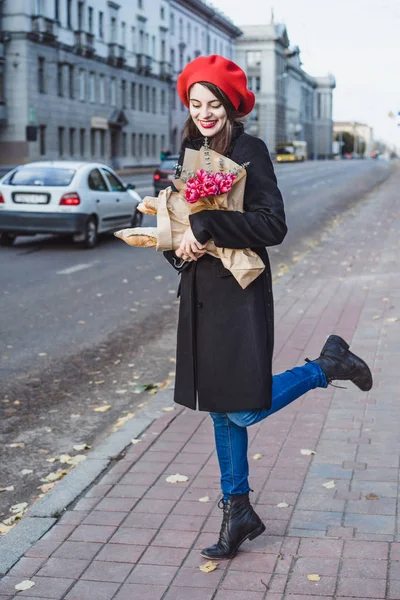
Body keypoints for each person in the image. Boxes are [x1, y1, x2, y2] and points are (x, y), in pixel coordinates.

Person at [164, 54, 373, 560]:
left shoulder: (250, 150)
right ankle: (238, 512)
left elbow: (272, 225)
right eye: (196, 104)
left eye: (214, 104)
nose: (205, 113)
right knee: (218, 407)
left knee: (244, 406)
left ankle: (328, 366)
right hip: (201, 295)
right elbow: (185, 221)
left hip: (239, 296)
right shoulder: (190, 148)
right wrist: (178, 244)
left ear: (232, 106)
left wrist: (207, 227)